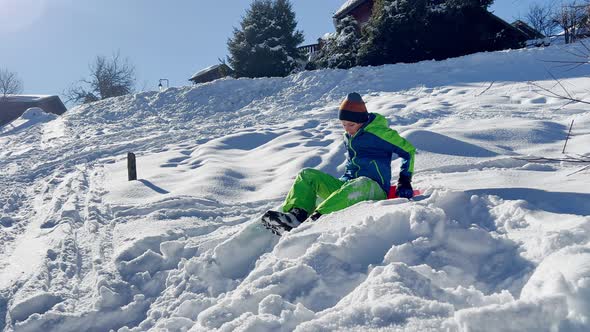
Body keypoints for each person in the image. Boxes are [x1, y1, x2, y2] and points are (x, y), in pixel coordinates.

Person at [261, 92, 416, 235]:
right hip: (347, 187)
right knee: (307, 174)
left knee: (360, 182)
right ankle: (295, 216)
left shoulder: (380, 133)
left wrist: (405, 180)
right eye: (343, 124)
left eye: (351, 125)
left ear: (361, 121)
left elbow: (408, 151)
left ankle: (315, 221)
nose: (347, 129)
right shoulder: (349, 135)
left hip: (373, 188)